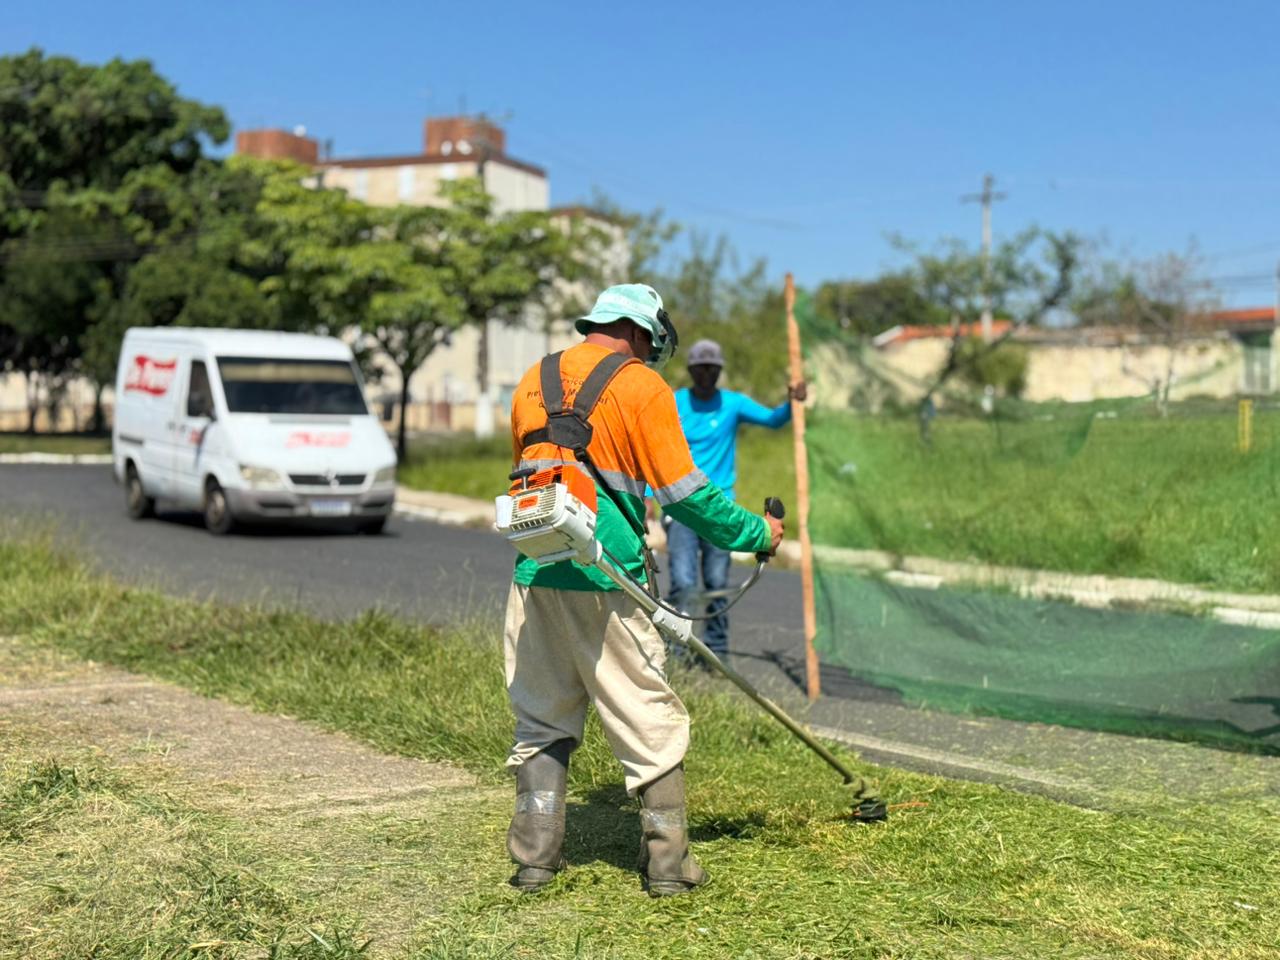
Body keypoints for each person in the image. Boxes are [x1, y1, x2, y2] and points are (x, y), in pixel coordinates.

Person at [502, 283, 784, 898]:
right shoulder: (641, 385)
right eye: (651, 342)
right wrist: (758, 530)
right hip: (613, 577)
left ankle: (535, 861)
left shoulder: (531, 381)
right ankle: (668, 866)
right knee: (646, 719)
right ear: (637, 331)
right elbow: (686, 495)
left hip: (535, 574)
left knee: (542, 719)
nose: (651, 353)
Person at [665, 339, 805, 659]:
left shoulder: (732, 404)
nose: (706, 375)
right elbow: (654, 450)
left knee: (717, 582)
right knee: (683, 583)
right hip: (681, 505)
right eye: (701, 369)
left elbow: (772, 420)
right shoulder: (675, 403)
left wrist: (791, 401)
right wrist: (647, 496)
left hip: (721, 507)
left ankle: (715, 652)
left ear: (719, 372)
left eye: (713, 370)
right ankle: (676, 652)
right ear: (691, 371)